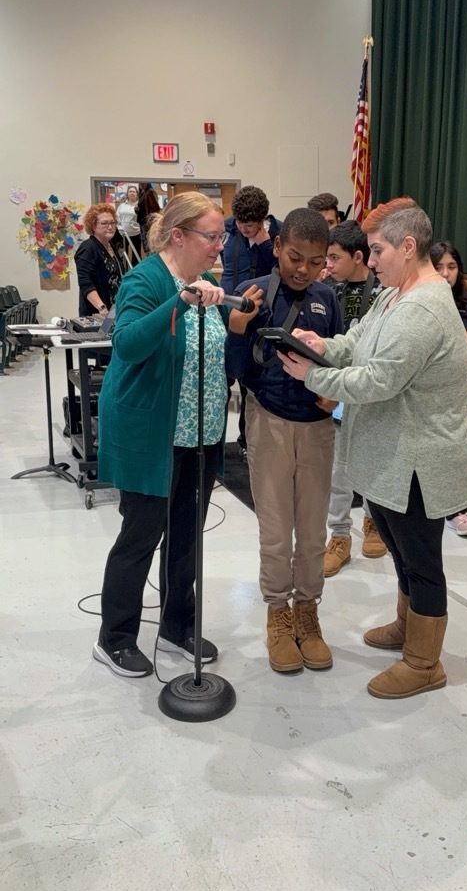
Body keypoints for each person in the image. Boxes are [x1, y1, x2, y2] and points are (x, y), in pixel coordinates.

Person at [278, 198, 467, 699]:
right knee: (402, 551)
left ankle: (424, 663)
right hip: (395, 457)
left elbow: (379, 379)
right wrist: (321, 346)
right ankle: (407, 628)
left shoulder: (425, 307)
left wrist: (313, 375)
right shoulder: (393, 294)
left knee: (421, 560)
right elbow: (358, 342)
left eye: (378, 249)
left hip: (419, 462)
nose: (371, 259)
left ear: (409, 248)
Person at [93, 192, 232, 678]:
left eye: (222, 236)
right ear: (179, 236)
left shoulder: (207, 280)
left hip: (200, 434)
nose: (220, 245)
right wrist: (178, 302)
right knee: (142, 536)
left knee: (187, 537)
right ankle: (114, 638)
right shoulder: (144, 279)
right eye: (212, 236)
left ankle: (176, 626)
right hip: (153, 434)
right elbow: (127, 344)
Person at [225, 208, 342, 674]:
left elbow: (338, 356)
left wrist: (334, 394)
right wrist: (237, 330)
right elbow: (236, 370)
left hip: (316, 427)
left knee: (312, 531)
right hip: (268, 422)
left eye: (316, 262)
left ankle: (308, 614)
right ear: (277, 247)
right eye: (295, 256)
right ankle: (278, 613)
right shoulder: (255, 292)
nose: (304, 269)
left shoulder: (328, 299)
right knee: (276, 532)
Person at [322, 221, 387, 576]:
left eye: (334, 257)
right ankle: (340, 535)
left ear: (358, 256)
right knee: (338, 471)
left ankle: (374, 524)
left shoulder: (384, 292)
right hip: (339, 391)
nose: (327, 265)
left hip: (372, 391)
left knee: (373, 466)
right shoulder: (328, 290)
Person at [430, 241, 467, 537]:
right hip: (431, 387)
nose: (446, 273)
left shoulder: (464, 298)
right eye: (439, 267)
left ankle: (458, 510)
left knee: (457, 448)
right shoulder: (424, 298)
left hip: (456, 386)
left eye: (451, 267)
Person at [220, 185, 282, 457]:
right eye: (241, 223)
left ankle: (247, 443)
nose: (245, 228)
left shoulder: (276, 233)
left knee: (248, 384)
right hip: (225, 310)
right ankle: (217, 441)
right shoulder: (228, 229)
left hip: (256, 315)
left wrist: (266, 242)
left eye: (251, 224)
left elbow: (280, 270)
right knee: (221, 382)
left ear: (263, 219)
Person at [74, 203, 125, 316]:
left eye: (112, 223)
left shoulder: (111, 246)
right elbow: (86, 283)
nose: (110, 227)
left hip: (114, 312)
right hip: (97, 314)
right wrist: (102, 308)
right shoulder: (87, 248)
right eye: (104, 223)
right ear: (93, 225)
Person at [116, 185, 142, 263]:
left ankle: (136, 272)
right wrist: (118, 224)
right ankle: (124, 272)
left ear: (136, 194)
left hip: (136, 234)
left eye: (133, 192)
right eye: (130, 191)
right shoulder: (122, 205)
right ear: (127, 194)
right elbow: (117, 215)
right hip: (123, 234)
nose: (131, 193)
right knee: (123, 255)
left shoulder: (139, 206)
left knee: (136, 254)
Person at [136, 182, 161, 251]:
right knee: (146, 245)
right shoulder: (143, 193)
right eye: (140, 183)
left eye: (143, 183)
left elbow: (155, 209)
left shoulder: (149, 192)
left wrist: (151, 222)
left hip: (147, 223)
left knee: (149, 245)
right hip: (143, 222)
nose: (141, 185)